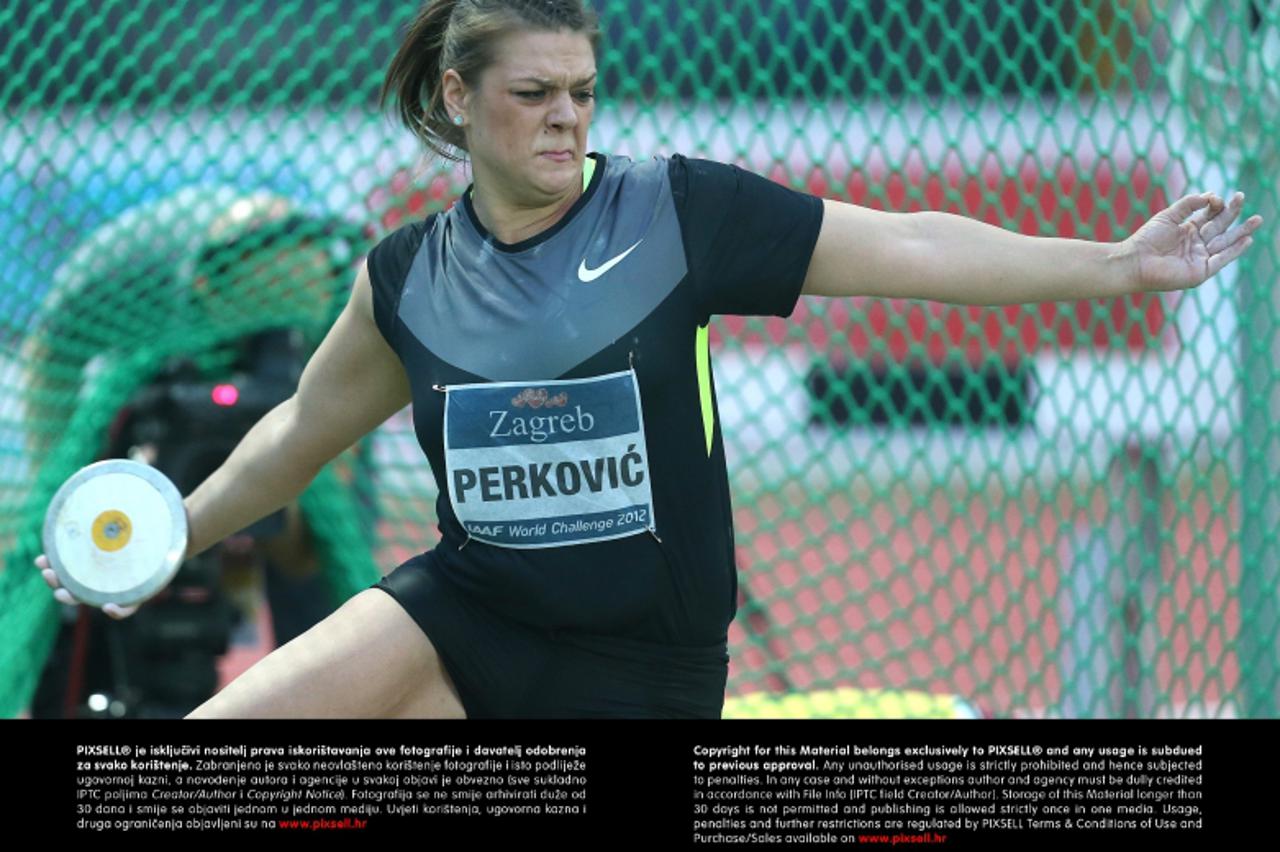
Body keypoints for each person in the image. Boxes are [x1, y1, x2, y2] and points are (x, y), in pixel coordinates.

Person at [35, 0, 1263, 718]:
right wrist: (159, 541)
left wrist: (1109, 266)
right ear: (459, 101)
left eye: (581, 90)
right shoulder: (402, 276)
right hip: (468, 611)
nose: (568, 116)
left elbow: (902, 242)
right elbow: (296, 436)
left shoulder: (675, 214)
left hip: (645, 661)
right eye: (533, 94)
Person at [25, 186, 366, 651]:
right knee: (82, 556)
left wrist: (309, 519)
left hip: (296, 399)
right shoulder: (123, 270)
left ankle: (327, 678)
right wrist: (61, 490)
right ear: (206, 290)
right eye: (258, 328)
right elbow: (50, 358)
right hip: (161, 378)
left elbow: (341, 418)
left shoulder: (327, 296)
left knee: (329, 556)